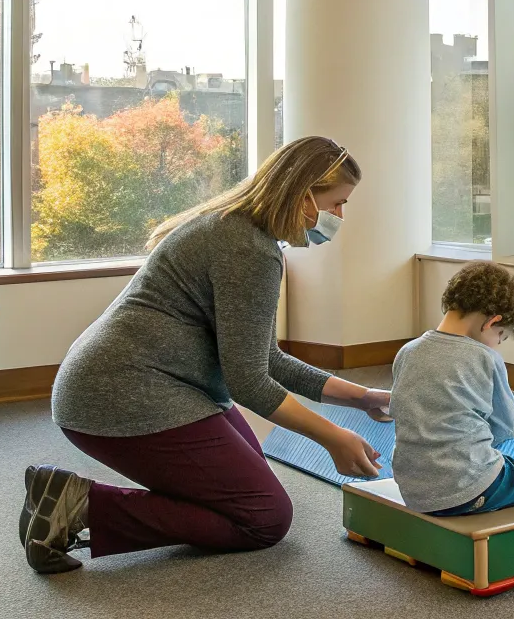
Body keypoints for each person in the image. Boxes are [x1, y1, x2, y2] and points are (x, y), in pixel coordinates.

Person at [19, 136, 390, 574]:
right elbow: (248, 382)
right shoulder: (249, 248)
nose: (339, 217)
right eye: (336, 204)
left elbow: (264, 358)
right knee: (264, 517)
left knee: (241, 485)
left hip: (150, 383)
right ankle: (78, 505)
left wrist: (361, 397)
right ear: (301, 194)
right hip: (121, 392)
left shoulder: (236, 228)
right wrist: (333, 436)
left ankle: (72, 502)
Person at [389, 262, 514, 516]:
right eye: (501, 337)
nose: (497, 345)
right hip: (470, 488)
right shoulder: (485, 358)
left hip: (412, 488)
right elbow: (511, 425)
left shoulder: (407, 351)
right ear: (492, 322)